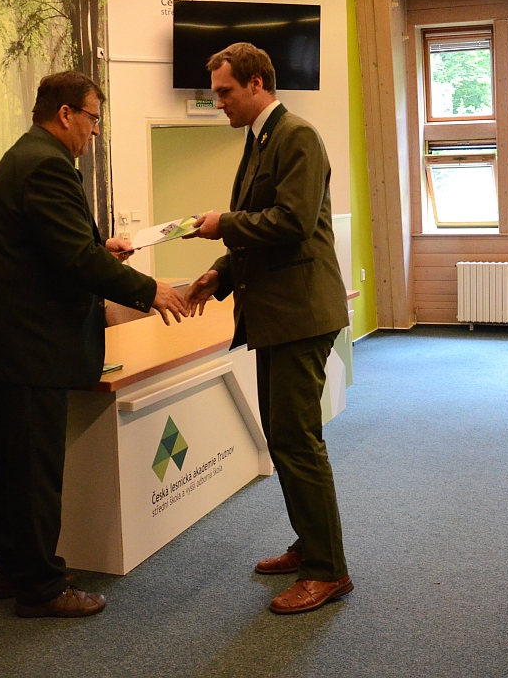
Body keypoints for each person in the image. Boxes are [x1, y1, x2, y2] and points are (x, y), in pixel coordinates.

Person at [0, 71, 188, 618]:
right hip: (30, 345)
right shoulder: (47, 165)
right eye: (92, 118)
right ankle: (40, 587)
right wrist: (150, 289)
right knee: (32, 472)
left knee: (9, 466)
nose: (95, 130)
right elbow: (74, 261)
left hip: (12, 343)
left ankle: (12, 569)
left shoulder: (27, 156)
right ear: (65, 114)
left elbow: (57, 250)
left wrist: (99, 249)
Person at [186, 42, 352, 615]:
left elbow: (291, 222)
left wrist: (223, 225)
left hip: (301, 315)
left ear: (256, 83)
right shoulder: (260, 140)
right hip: (277, 316)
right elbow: (261, 231)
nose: (219, 103)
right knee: (284, 439)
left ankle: (328, 571)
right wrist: (219, 273)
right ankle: (311, 544)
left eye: (225, 92)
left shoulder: (296, 135)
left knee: (297, 441)